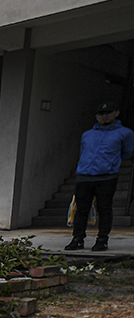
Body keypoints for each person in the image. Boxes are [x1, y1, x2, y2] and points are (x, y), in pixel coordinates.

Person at [66, 101, 133, 252]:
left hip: (106, 177)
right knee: (81, 209)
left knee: (104, 209)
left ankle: (102, 240)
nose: (104, 116)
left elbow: (126, 152)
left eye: (108, 113)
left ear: (116, 113)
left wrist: (111, 164)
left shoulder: (125, 133)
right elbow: (83, 152)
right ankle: (77, 239)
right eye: (101, 114)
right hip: (84, 175)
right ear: (97, 116)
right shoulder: (87, 134)